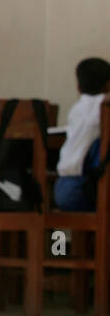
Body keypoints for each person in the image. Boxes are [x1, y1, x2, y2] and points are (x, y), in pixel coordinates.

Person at [53, 57, 109, 212]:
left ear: (78, 87)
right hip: (84, 189)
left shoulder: (76, 109)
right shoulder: (105, 107)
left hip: (62, 187)